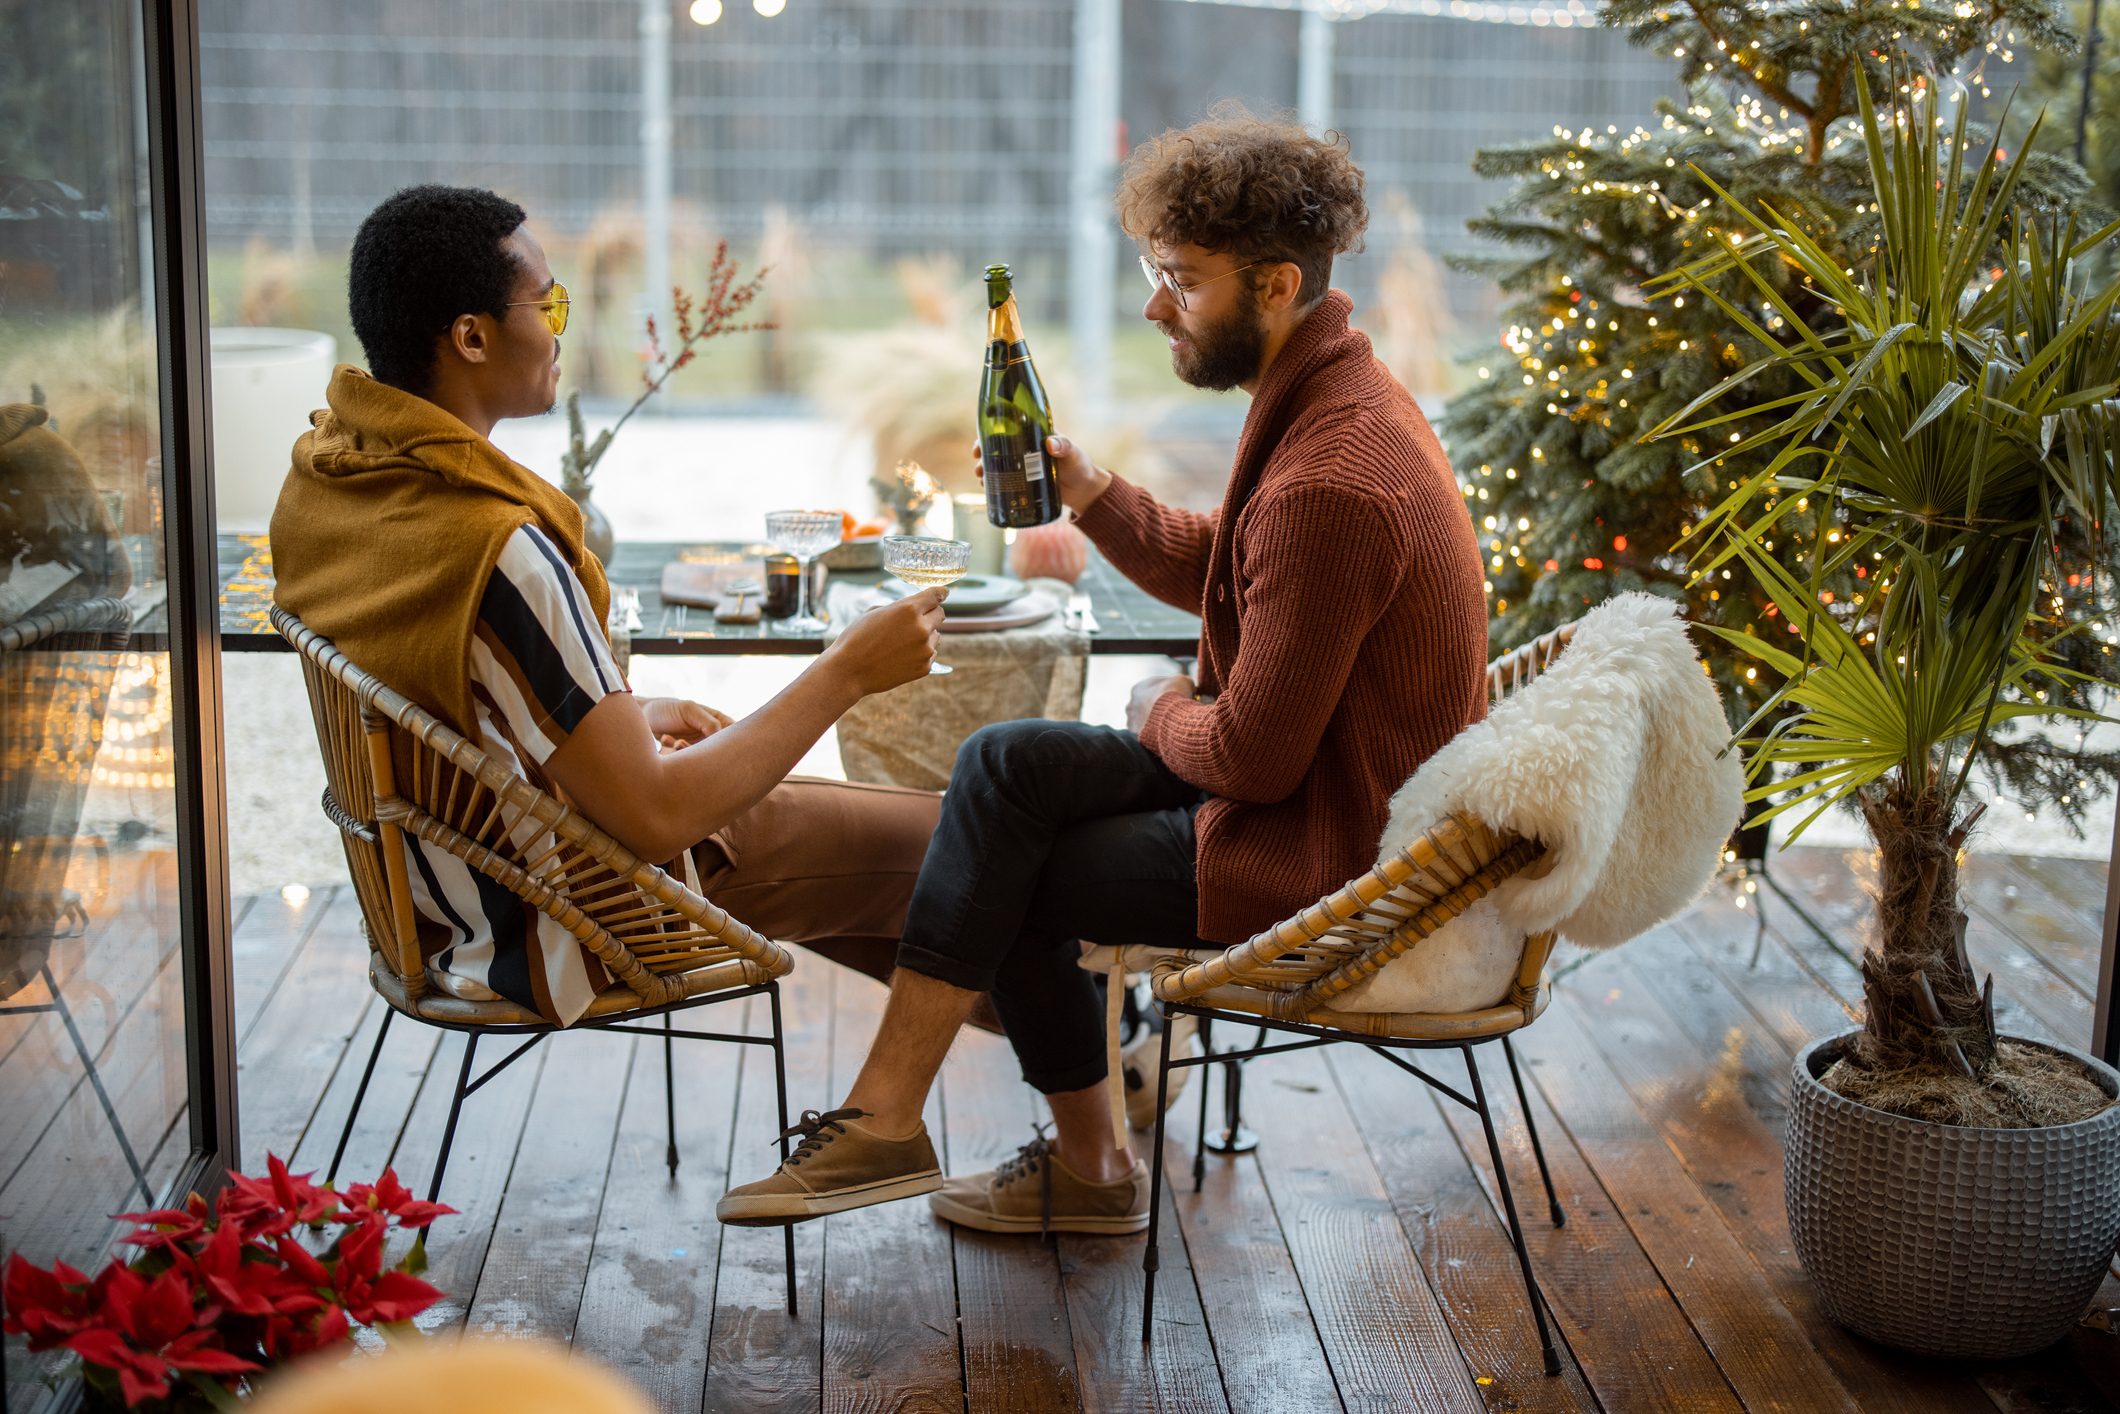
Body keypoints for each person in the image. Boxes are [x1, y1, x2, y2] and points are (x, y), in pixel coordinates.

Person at [718, 108, 1489, 1234]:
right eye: (1152, 270)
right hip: (1308, 790)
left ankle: (1040, 1159)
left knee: (1012, 856)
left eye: (1180, 278)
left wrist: (1159, 701)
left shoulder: (1334, 473)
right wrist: (1085, 488)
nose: (1151, 304)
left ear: (1274, 284)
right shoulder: (1329, 401)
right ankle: (919, 1131)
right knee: (1003, 769)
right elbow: (1231, 569)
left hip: (1323, 844)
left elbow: (1253, 760)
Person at [270, 184, 947, 1027]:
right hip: (581, 916)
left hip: (446, 908)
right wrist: (847, 671)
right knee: (973, 841)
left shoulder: (339, 481)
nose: (562, 325)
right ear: (472, 336)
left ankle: (1083, 1118)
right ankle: (1080, 1101)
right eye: (546, 303)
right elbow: (656, 817)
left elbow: (454, 700)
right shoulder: (494, 546)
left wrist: (625, 713)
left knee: (923, 904)